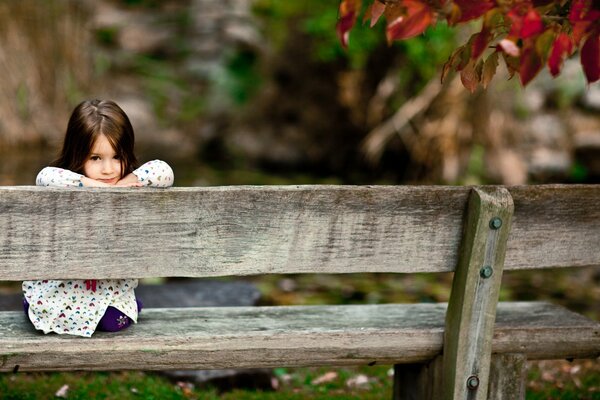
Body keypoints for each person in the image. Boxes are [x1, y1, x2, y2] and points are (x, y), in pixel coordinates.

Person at [23, 99, 174, 337]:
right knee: (110, 319)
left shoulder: (131, 184)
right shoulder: (68, 183)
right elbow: (45, 175)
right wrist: (90, 185)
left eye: (117, 156)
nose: (108, 169)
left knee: (111, 321)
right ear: (77, 154)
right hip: (66, 288)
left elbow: (164, 170)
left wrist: (127, 182)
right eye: (95, 158)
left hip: (106, 288)